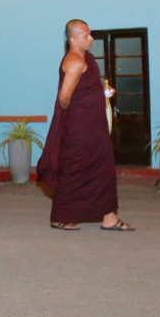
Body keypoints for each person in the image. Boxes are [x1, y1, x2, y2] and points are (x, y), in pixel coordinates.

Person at [37, 20, 132, 231]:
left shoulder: (86, 58)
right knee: (75, 170)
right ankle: (60, 217)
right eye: (86, 35)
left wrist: (101, 94)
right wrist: (78, 113)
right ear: (73, 40)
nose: (91, 38)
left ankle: (109, 217)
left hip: (93, 126)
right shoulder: (74, 62)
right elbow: (64, 98)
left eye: (90, 34)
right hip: (80, 128)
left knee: (103, 168)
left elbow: (85, 89)